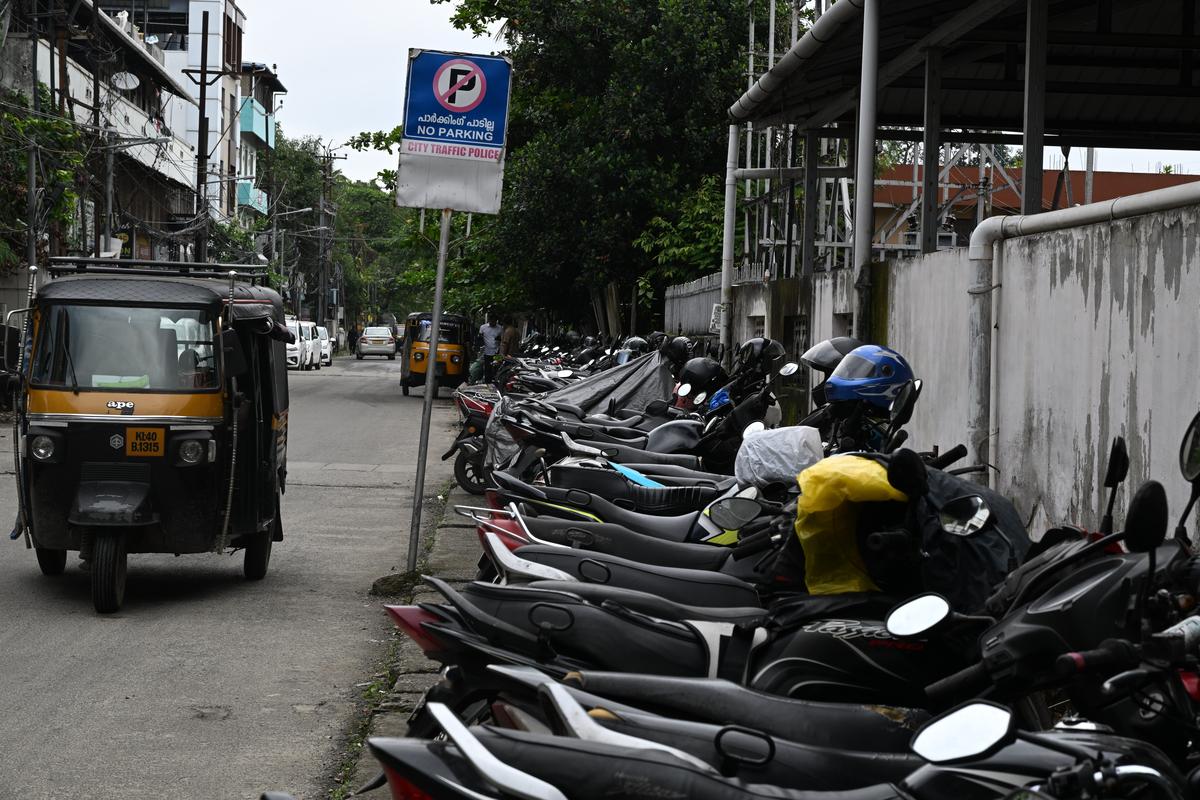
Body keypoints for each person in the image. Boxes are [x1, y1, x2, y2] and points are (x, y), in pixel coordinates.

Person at [479, 313, 503, 383]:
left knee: (497, 368)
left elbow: (502, 339)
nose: (493, 322)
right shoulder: (483, 327)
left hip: (497, 352)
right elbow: (480, 338)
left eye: (495, 321)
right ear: (489, 320)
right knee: (487, 369)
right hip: (487, 352)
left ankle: (495, 383)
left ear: (496, 321)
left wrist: (499, 339)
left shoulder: (500, 328)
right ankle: (487, 383)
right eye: (492, 321)